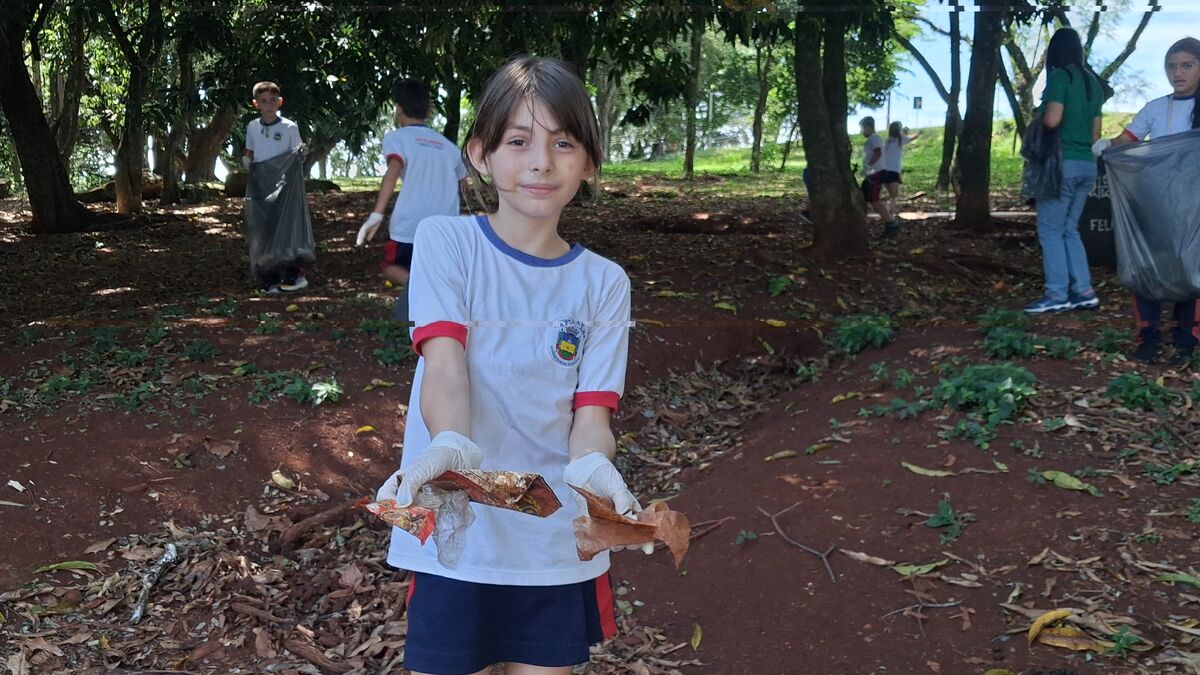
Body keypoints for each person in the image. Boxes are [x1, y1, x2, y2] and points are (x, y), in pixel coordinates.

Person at [373, 56, 645, 675]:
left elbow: (592, 410)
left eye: (563, 142)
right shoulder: (448, 243)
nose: (541, 162)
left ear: (590, 163)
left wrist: (595, 464)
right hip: (455, 520)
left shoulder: (605, 281)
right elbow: (444, 360)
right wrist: (448, 439)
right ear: (480, 155)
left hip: (550, 529)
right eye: (518, 141)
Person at [1094, 37, 1200, 364]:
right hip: (1155, 204)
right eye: (1171, 66)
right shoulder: (1155, 108)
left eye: (1186, 65)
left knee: (1192, 269)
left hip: (1195, 207)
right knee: (1146, 267)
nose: (1177, 73)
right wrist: (1103, 145)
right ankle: (1148, 338)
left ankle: (1187, 341)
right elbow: (1127, 141)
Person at [356, 79, 468, 321]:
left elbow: (392, 173)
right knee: (435, 268)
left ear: (398, 109)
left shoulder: (397, 139)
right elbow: (464, 185)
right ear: (429, 111)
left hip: (409, 223)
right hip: (444, 225)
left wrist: (377, 213)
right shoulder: (449, 148)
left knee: (391, 267)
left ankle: (419, 288)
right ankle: (434, 302)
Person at [242, 81, 309, 292]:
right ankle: (269, 278)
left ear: (280, 102)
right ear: (256, 104)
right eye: (263, 101)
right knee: (266, 231)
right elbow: (250, 152)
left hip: (286, 188)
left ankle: (294, 275)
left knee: (287, 229)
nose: (269, 105)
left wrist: (301, 153)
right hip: (262, 187)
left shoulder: (289, 127)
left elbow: (297, 153)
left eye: (273, 101)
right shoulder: (253, 127)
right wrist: (247, 161)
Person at [881, 121, 920, 234]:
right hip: (893, 171)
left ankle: (889, 214)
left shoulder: (887, 141)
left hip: (884, 171)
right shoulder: (900, 140)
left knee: (891, 195)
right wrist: (919, 133)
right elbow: (912, 137)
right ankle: (891, 217)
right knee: (894, 196)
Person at [859, 117, 893, 237]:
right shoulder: (871, 139)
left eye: (862, 128)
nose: (862, 131)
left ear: (868, 127)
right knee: (861, 197)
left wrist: (869, 165)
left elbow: (878, 152)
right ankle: (860, 222)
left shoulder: (875, 138)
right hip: (871, 174)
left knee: (874, 201)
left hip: (876, 173)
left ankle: (891, 224)